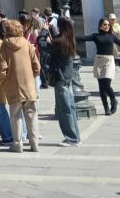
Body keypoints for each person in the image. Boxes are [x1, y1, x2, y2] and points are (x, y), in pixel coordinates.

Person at [77, 18, 120, 115]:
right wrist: (68, 35)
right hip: (99, 61)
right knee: (101, 87)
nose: (107, 26)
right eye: (105, 24)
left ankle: (113, 100)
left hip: (109, 61)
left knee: (106, 84)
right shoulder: (95, 36)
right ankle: (106, 108)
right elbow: (82, 38)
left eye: (108, 25)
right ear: (100, 26)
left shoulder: (111, 36)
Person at [0, 18, 40, 152]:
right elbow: (37, 66)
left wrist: (3, 82)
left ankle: (17, 144)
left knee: (15, 115)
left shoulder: (4, 45)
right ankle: (34, 143)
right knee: (31, 114)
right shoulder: (27, 44)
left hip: (13, 85)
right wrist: (31, 76)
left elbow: (2, 68)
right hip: (28, 85)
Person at [47, 17, 80, 146]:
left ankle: (71, 138)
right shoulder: (69, 38)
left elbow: (43, 45)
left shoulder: (60, 41)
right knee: (70, 107)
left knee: (64, 108)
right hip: (67, 76)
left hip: (61, 77)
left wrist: (43, 32)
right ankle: (75, 136)